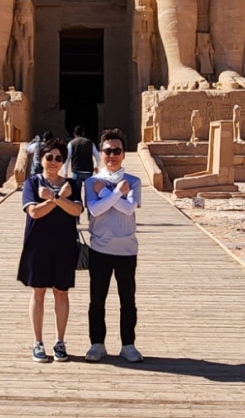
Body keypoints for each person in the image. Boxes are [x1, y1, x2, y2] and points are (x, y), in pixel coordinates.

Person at [17, 137, 83, 362]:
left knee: (61, 293)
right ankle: (37, 341)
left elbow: (76, 211)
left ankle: (59, 341)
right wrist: (60, 199)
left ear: (63, 161)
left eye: (58, 158)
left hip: (64, 245)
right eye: (49, 157)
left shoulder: (71, 185)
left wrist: (53, 197)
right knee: (38, 292)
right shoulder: (32, 183)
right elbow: (34, 212)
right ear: (41, 158)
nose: (54, 161)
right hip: (38, 245)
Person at [84, 128, 143, 362]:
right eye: (108, 151)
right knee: (97, 300)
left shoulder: (133, 181)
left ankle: (128, 344)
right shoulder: (91, 181)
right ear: (101, 153)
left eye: (117, 151)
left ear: (124, 154)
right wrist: (118, 193)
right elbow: (94, 209)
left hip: (126, 249)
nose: (112, 155)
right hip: (100, 249)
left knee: (128, 300)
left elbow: (129, 209)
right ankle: (97, 343)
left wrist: (107, 194)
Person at [65, 125, 100, 191]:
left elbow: (67, 159)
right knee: (89, 192)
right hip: (88, 170)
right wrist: (96, 166)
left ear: (74, 133)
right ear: (83, 133)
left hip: (76, 171)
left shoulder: (71, 143)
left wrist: (65, 172)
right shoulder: (90, 143)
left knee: (76, 193)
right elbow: (97, 156)